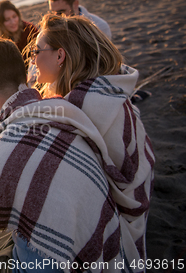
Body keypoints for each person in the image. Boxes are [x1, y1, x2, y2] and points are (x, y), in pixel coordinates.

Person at [0, 38, 138, 272]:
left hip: (42, 263)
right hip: (105, 255)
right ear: (22, 73)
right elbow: (14, 129)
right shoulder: (62, 112)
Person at [30, 13, 154, 262]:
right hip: (139, 204)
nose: (32, 57)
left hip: (116, 219)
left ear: (60, 55)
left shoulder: (73, 111)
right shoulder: (109, 92)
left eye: (36, 50)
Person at [47, 0, 111, 38]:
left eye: (60, 12)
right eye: (52, 12)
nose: (55, 17)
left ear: (75, 4)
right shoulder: (50, 30)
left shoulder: (100, 27)